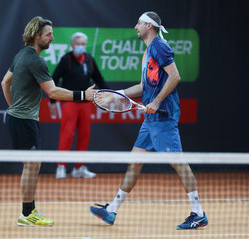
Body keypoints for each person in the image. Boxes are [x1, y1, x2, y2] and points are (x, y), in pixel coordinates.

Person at [89, 11, 208, 230]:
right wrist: (118, 94)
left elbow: (175, 76)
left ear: (149, 26)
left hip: (163, 117)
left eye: (138, 23)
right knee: (134, 163)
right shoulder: (148, 52)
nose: (135, 27)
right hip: (150, 120)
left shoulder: (159, 46)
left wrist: (158, 102)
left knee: (179, 164)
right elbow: (144, 87)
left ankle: (198, 213)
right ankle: (112, 210)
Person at [1, 16, 95, 227]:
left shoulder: (21, 54)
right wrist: (83, 95)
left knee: (32, 164)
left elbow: (5, 82)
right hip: (24, 120)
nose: (52, 38)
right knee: (32, 165)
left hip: (19, 118)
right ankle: (27, 214)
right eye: (48, 34)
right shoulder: (36, 60)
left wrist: (13, 107)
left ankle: (29, 209)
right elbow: (52, 91)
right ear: (37, 36)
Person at [50, 32, 108, 179]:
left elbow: (99, 78)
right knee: (67, 134)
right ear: (72, 45)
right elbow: (54, 80)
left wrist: (109, 94)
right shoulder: (66, 60)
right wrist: (52, 101)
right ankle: (61, 166)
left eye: (83, 44)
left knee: (85, 134)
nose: (81, 47)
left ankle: (79, 168)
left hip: (86, 104)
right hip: (69, 102)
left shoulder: (89, 59)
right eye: (78, 44)